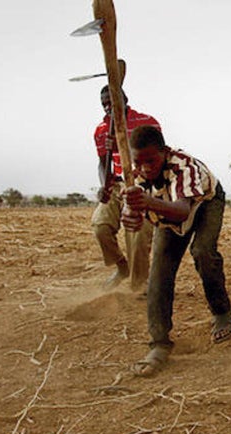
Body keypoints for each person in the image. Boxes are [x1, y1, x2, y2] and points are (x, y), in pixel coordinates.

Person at [121, 126, 231, 377]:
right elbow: (131, 208)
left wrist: (147, 202)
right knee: (159, 274)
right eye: (139, 161)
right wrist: (131, 215)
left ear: (164, 152)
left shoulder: (184, 167)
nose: (146, 168)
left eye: (151, 160)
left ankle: (222, 312)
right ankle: (159, 343)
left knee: (203, 252)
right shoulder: (132, 173)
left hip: (204, 203)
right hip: (166, 215)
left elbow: (182, 210)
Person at [92, 85, 160, 292]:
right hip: (117, 184)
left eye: (111, 102)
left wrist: (123, 143)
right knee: (100, 226)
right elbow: (103, 162)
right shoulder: (101, 130)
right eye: (103, 103)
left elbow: (155, 155)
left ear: (125, 100)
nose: (107, 107)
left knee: (137, 230)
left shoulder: (147, 122)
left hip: (142, 181)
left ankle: (139, 285)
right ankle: (122, 267)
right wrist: (104, 185)